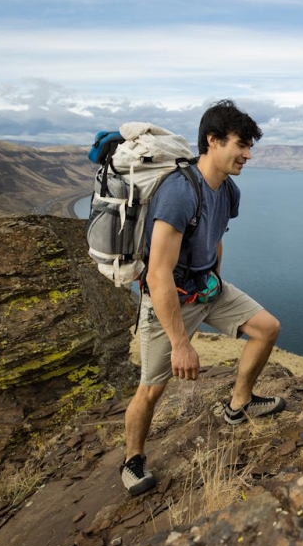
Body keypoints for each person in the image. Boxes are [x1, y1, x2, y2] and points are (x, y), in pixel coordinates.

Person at [120, 100, 285, 497]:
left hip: (208, 286)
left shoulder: (229, 190)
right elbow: (158, 272)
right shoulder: (179, 192)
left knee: (266, 328)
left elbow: (216, 238)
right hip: (171, 297)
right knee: (152, 388)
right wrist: (181, 343)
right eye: (241, 145)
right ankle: (132, 460)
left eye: (249, 147)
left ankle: (238, 404)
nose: (248, 154)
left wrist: (216, 281)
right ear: (212, 141)